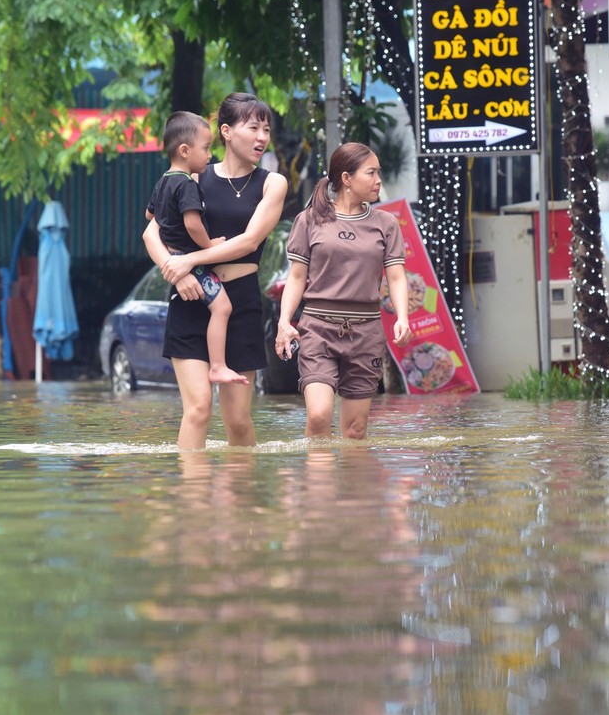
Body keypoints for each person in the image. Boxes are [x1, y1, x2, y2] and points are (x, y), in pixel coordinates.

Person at [143, 92, 288, 450]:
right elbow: (151, 232)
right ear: (226, 131)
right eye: (253, 127)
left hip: (240, 302)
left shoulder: (272, 183)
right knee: (198, 410)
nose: (262, 137)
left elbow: (249, 241)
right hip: (192, 299)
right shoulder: (191, 177)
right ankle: (193, 502)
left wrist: (191, 260)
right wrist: (176, 271)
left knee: (237, 421)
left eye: (266, 129)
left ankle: (239, 500)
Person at [274, 142, 413, 440]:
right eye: (371, 173)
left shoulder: (386, 224)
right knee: (319, 416)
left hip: (366, 332)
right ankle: (319, 487)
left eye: (379, 173)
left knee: (355, 430)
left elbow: (397, 277)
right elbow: (297, 278)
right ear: (347, 179)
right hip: (318, 329)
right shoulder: (309, 220)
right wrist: (285, 321)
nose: (379, 181)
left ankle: (352, 488)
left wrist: (403, 316)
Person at [145, 111, 246, 386]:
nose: (210, 155)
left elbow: (149, 216)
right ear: (184, 150)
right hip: (193, 264)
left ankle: (216, 365)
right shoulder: (188, 184)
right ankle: (217, 365)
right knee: (222, 308)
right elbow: (192, 224)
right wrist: (208, 244)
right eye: (206, 148)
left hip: (173, 255)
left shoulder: (163, 181)